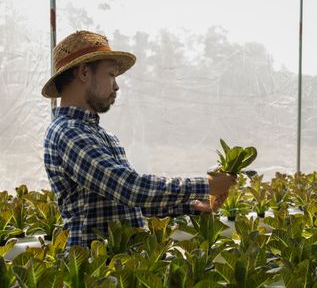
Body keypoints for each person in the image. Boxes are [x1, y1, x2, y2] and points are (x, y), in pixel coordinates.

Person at [42, 30, 236, 247]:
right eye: (111, 74)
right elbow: (130, 188)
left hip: (120, 265)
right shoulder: (67, 133)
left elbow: (130, 203)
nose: (116, 85)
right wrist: (207, 185)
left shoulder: (102, 135)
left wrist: (194, 206)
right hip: (95, 270)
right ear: (84, 73)